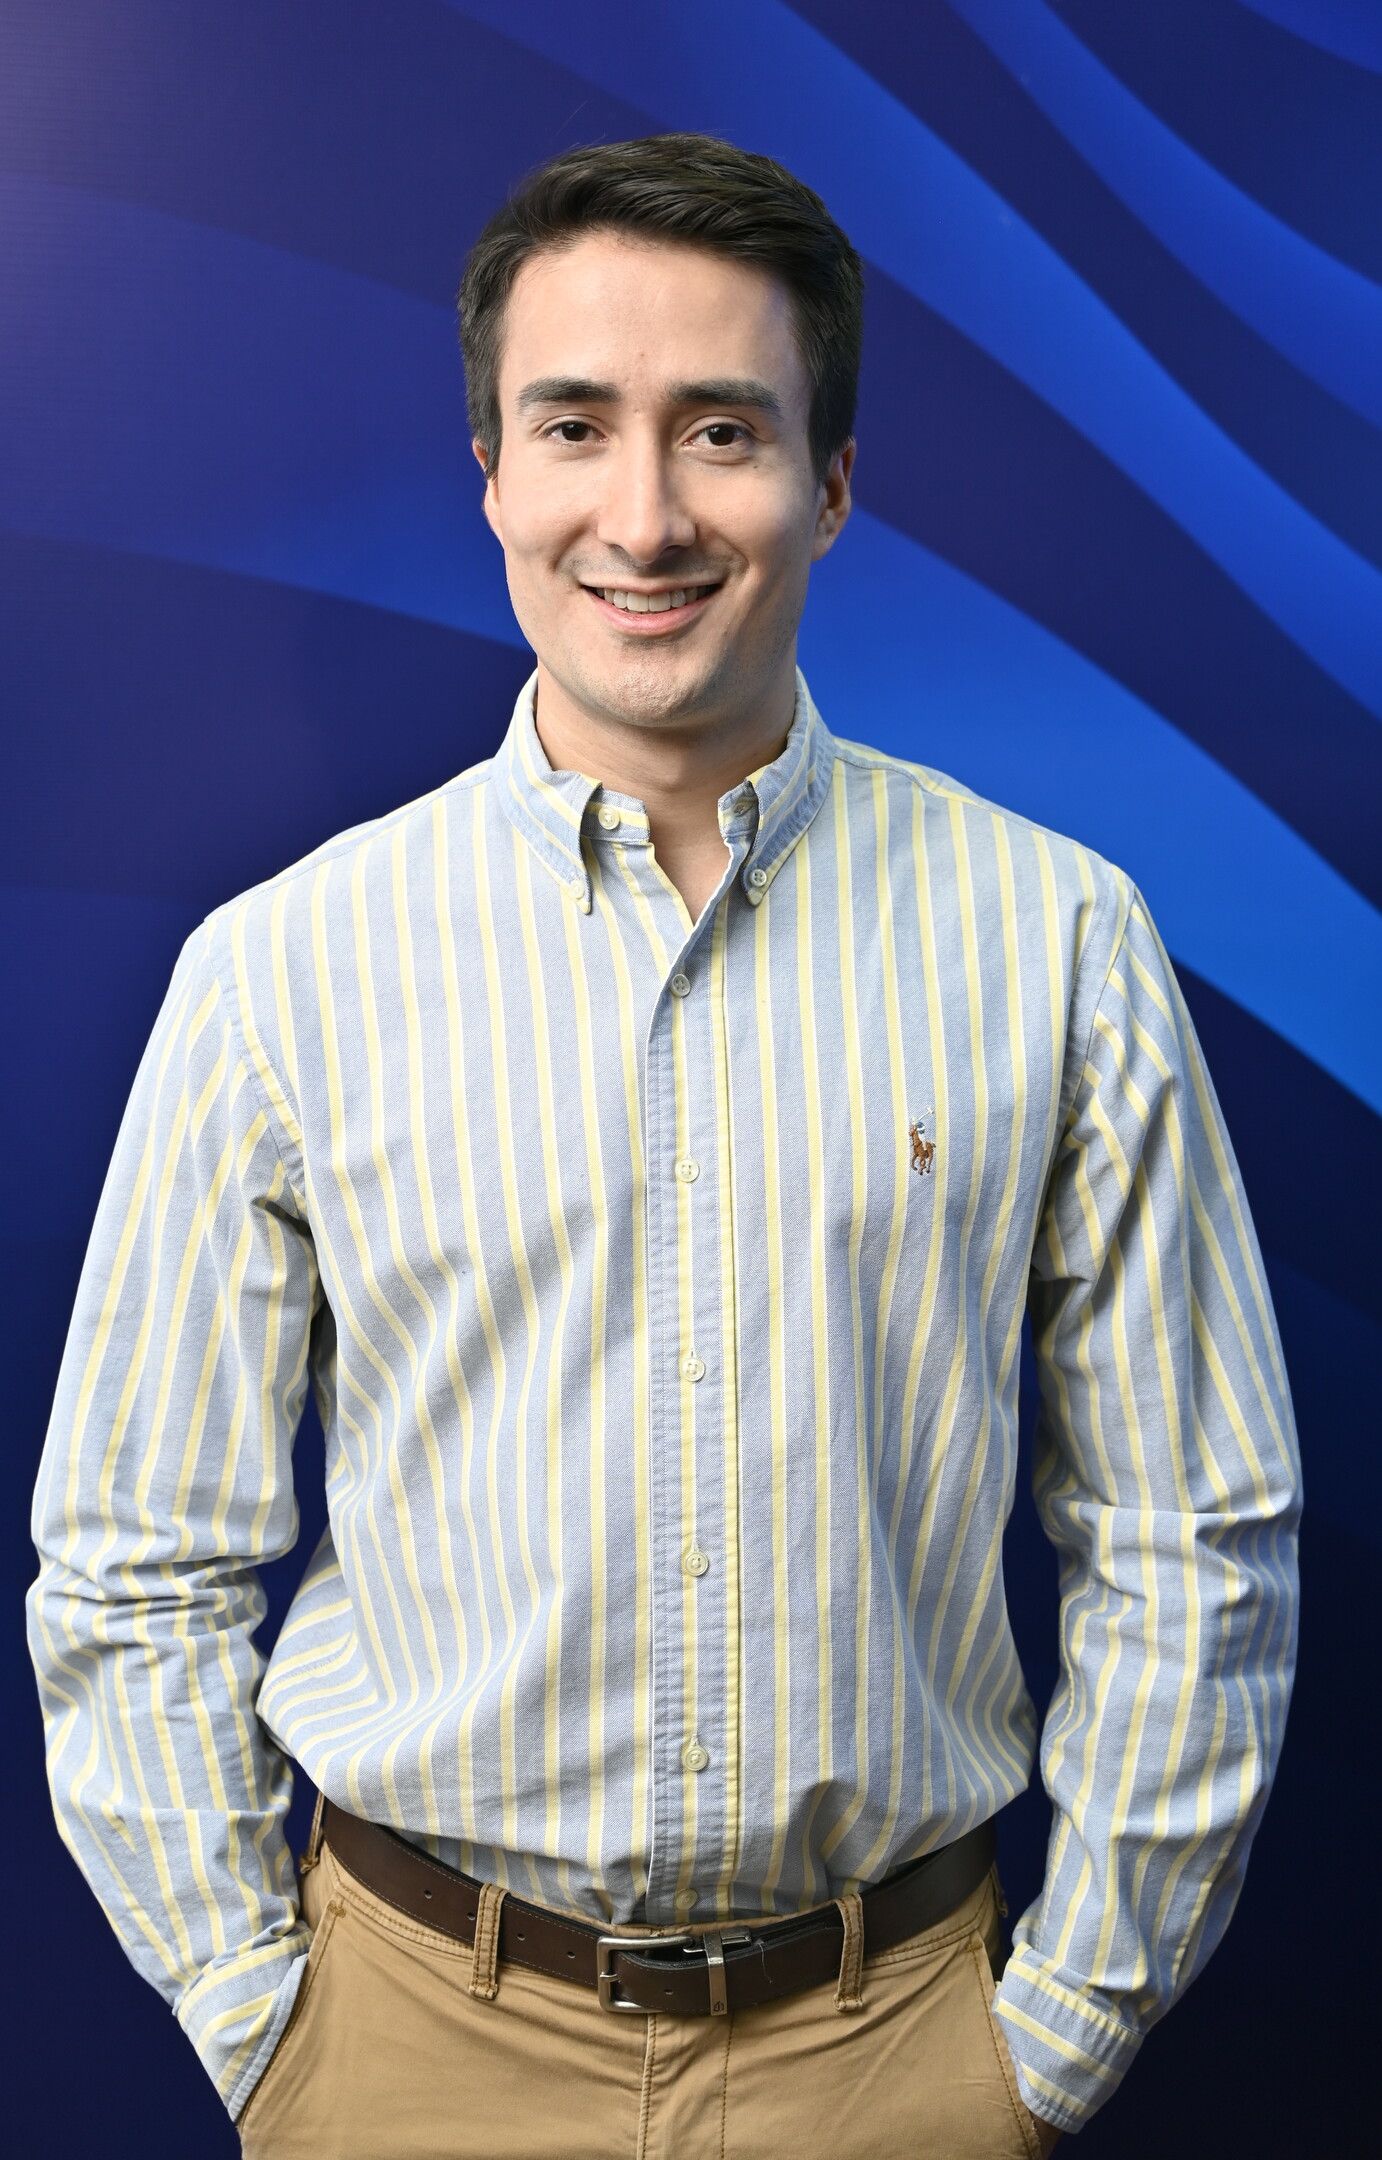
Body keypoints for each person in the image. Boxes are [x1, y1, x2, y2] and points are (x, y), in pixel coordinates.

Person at [28, 135, 1299, 2158]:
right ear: (491, 477)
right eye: (572, 427)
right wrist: (264, 2020)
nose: (642, 516)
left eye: (721, 429)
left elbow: (1191, 1529)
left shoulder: (1055, 941)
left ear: (830, 481)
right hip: (404, 2053)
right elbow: (132, 1561)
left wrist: (1059, 2030)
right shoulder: (282, 969)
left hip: (897, 2056)